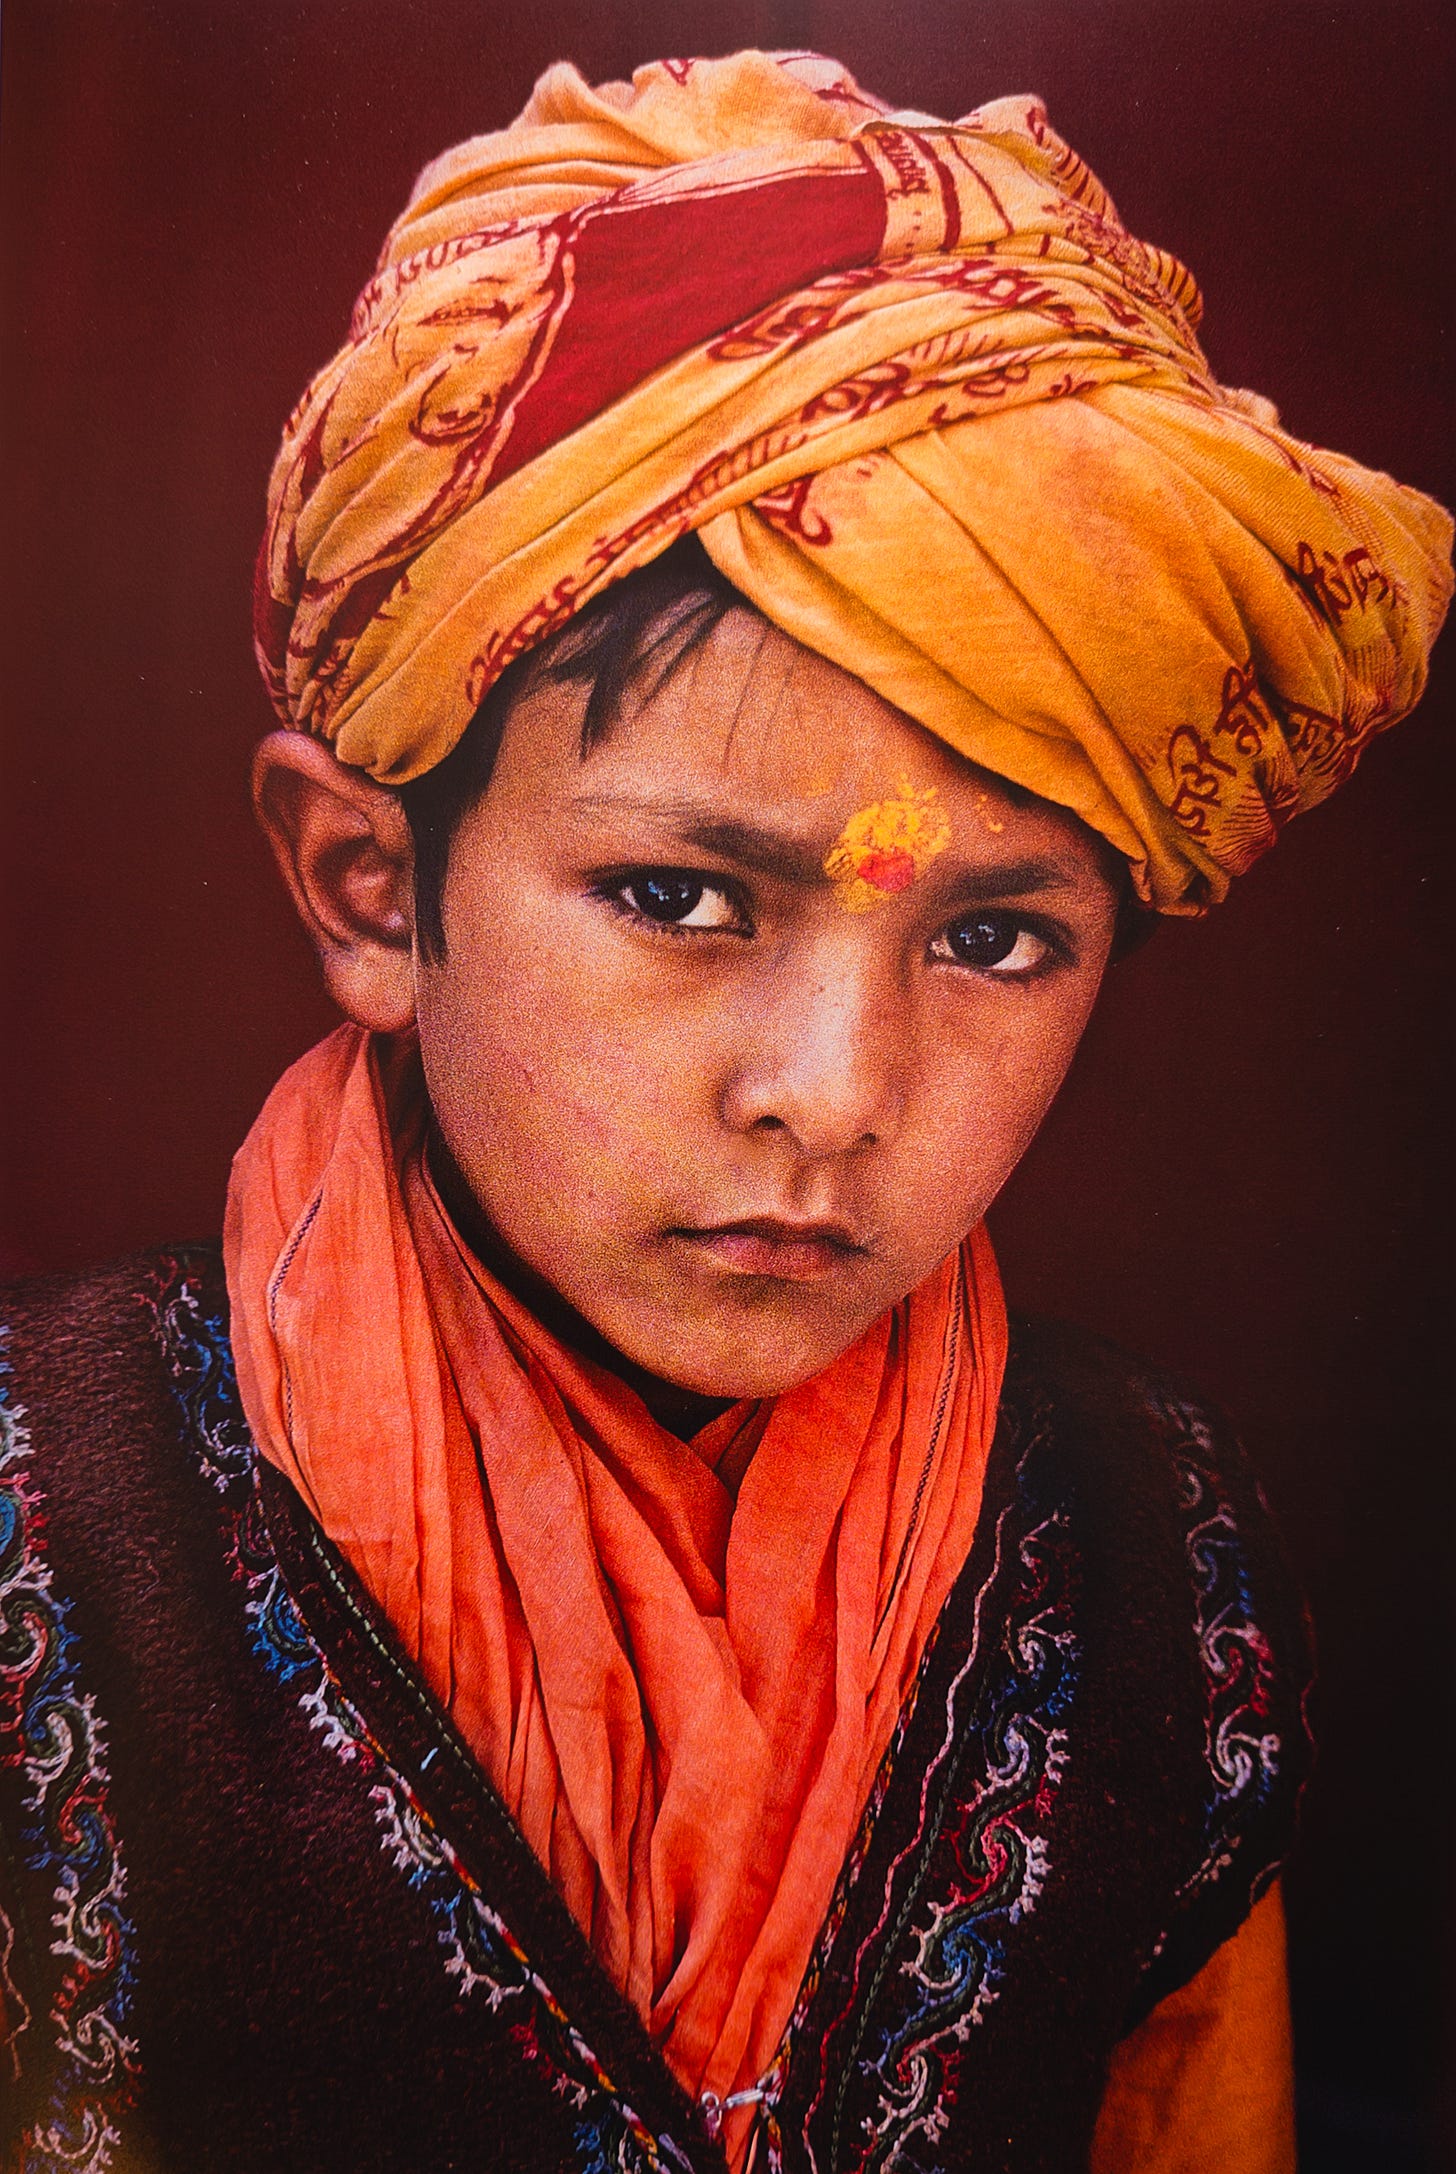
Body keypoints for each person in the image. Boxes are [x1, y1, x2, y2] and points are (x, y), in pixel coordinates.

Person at [1, 48, 1448, 2174]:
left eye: (993, 942)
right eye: (681, 897)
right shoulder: (48, 1524)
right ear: (366, 886)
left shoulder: (1152, 1561)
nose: (829, 1097)